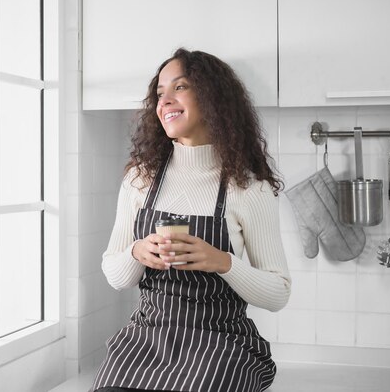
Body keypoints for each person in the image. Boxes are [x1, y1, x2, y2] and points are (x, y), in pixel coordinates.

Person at [90, 48, 291, 392]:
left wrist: (223, 262)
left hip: (220, 345)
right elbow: (115, 274)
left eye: (179, 87)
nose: (165, 100)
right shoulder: (140, 178)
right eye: (159, 93)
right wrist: (137, 252)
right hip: (147, 340)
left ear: (212, 97)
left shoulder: (248, 187)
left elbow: (278, 293)